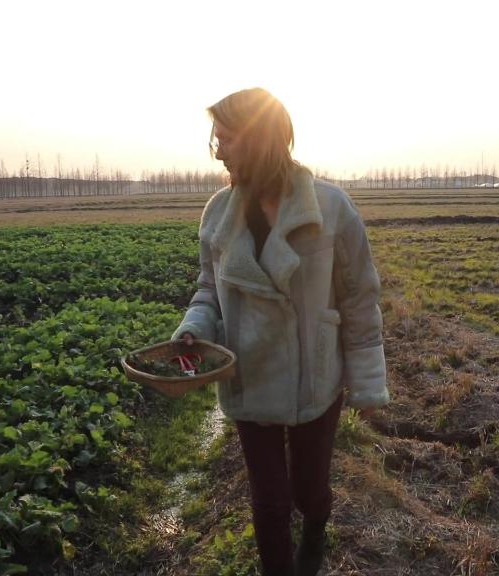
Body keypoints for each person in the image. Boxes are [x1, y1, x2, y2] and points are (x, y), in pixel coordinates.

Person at [171, 87, 390, 576]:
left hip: (315, 377)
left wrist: (367, 382)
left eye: (226, 139)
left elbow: (358, 296)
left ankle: (315, 528)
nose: (218, 152)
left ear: (259, 139)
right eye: (215, 140)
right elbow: (208, 290)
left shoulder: (330, 208)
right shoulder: (217, 214)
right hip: (249, 375)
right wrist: (193, 328)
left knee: (309, 491)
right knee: (269, 501)